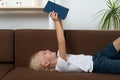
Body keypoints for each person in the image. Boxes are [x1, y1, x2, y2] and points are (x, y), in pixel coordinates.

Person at [29, 11, 120, 73]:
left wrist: (59, 20)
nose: (47, 50)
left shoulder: (59, 57)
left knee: (117, 43)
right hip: (97, 65)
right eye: (45, 53)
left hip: (95, 57)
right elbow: (61, 41)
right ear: (46, 63)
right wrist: (56, 22)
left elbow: (62, 36)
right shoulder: (60, 66)